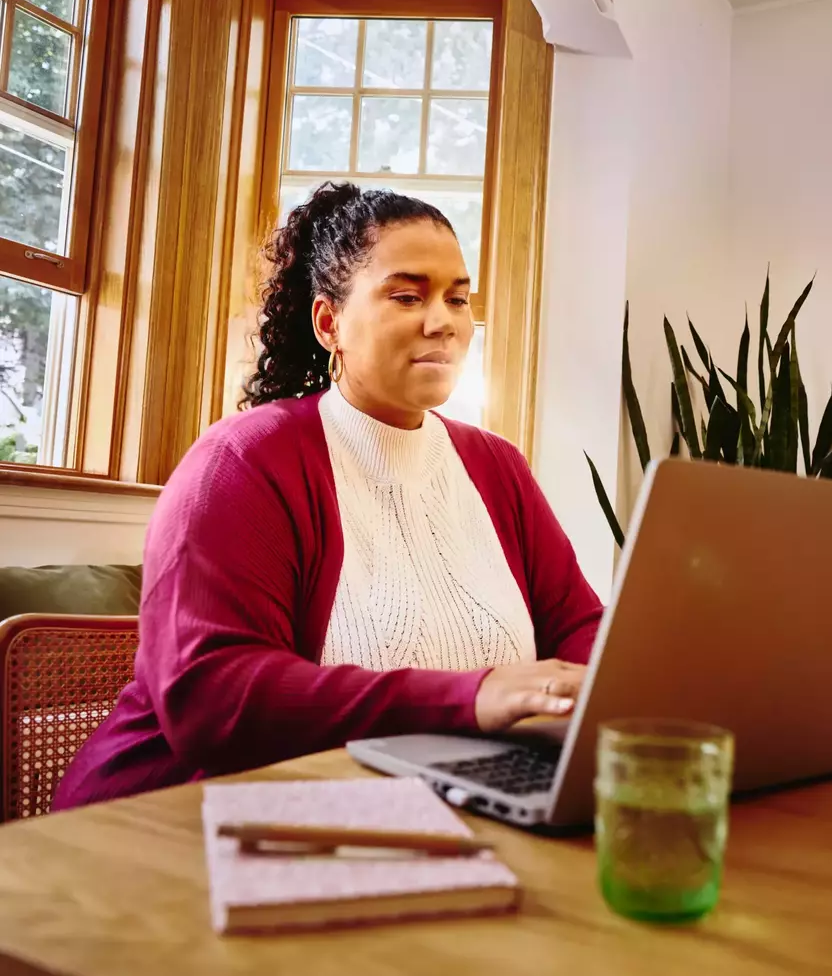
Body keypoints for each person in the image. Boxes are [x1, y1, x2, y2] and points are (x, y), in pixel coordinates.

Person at [53, 183, 603, 810]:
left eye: (458, 297)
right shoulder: (244, 461)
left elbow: (580, 627)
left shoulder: (498, 466)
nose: (442, 321)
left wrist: (623, 691)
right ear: (329, 322)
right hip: (168, 826)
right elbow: (212, 696)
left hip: (426, 808)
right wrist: (472, 697)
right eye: (406, 295)